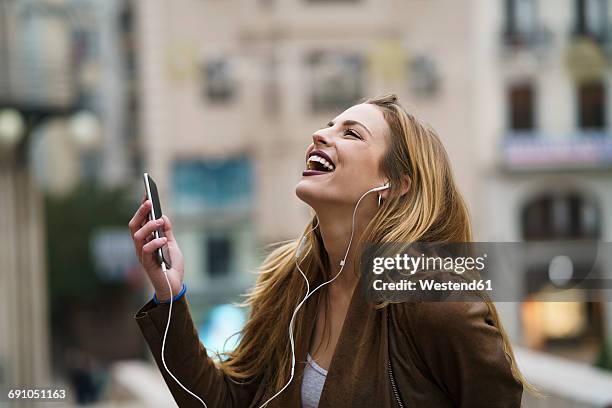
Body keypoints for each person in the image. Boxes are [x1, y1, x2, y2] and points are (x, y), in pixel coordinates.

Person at [129, 94, 528, 407]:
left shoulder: (429, 292)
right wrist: (170, 294)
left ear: (395, 184)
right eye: (328, 126)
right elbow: (221, 402)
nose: (321, 135)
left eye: (351, 134)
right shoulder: (289, 282)